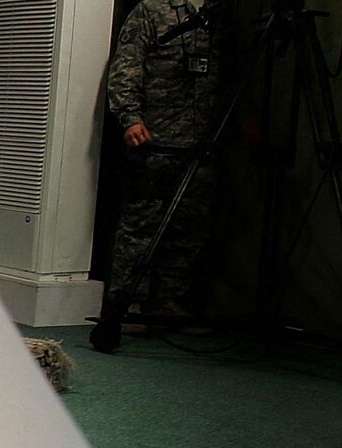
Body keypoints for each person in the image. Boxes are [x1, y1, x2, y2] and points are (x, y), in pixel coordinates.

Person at [106, 0, 223, 330]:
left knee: (189, 226)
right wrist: (130, 118)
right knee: (141, 222)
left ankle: (169, 302)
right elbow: (126, 67)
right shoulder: (151, 10)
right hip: (155, 139)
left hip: (202, 143)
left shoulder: (220, 15)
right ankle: (128, 303)